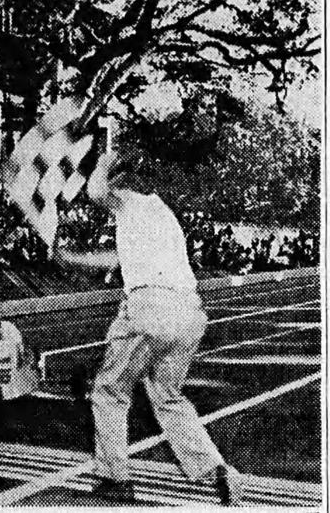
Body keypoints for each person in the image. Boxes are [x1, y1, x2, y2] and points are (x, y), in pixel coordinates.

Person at [79, 146, 243, 505]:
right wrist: (71, 258)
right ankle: (216, 468)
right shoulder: (163, 216)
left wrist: (104, 160)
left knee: (109, 388)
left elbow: (94, 191)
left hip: (151, 306)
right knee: (168, 396)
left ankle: (113, 477)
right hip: (189, 311)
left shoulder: (128, 202)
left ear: (123, 182)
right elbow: (116, 259)